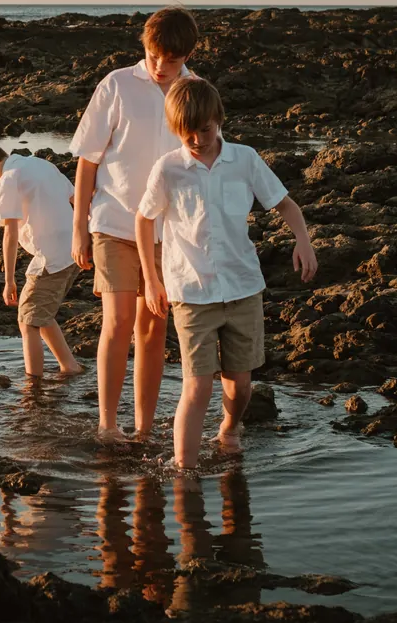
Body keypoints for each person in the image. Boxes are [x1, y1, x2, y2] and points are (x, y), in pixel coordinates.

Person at [135, 77, 318, 470]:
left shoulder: (245, 159)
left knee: (241, 384)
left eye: (204, 130)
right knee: (197, 385)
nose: (197, 140)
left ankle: (230, 428)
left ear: (218, 119)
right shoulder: (168, 168)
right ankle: (183, 469)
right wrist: (151, 280)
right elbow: (143, 219)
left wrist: (303, 241)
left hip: (242, 287)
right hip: (190, 292)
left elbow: (286, 204)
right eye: (187, 133)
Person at [70, 6, 200, 442]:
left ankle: (143, 430)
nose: (161, 66)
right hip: (114, 222)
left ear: (187, 56)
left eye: (172, 60)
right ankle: (108, 426)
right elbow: (88, 161)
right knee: (119, 320)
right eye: (154, 55)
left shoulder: (196, 92)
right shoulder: (117, 84)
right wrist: (79, 228)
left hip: (169, 231)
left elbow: (203, 162)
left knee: (153, 326)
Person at [0, 135, 83, 377]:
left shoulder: (7, 181)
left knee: (27, 321)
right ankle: (70, 367)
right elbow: (76, 199)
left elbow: (10, 235)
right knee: (40, 314)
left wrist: (9, 280)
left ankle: (33, 385)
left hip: (51, 257)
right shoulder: (39, 163)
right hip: (73, 250)